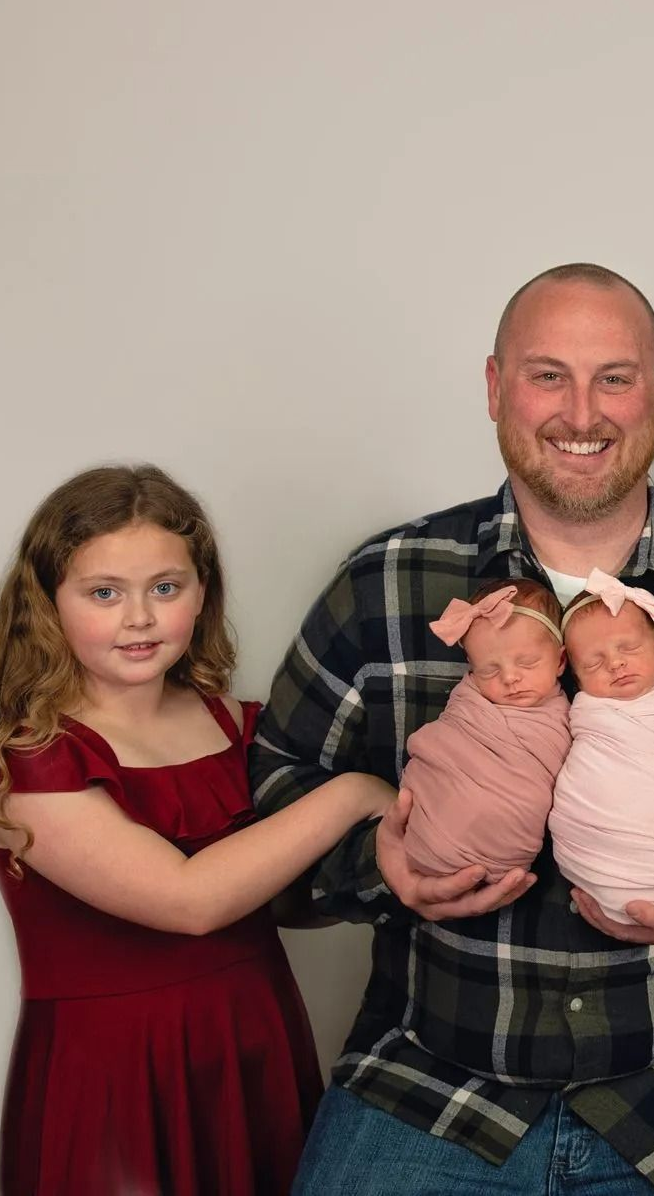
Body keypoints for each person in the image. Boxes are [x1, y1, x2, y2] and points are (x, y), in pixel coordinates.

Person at [248, 263, 654, 1195]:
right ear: (495, 388)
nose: (583, 411)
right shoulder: (386, 582)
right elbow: (280, 786)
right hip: (431, 1076)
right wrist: (379, 861)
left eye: (614, 377)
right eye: (548, 375)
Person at [0, 465, 395, 1196]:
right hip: (112, 1074)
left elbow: (277, 898)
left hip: (251, 1044)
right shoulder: (32, 757)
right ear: (47, 603)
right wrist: (352, 794)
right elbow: (191, 900)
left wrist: (395, 876)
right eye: (103, 592)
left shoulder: (241, 728)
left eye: (166, 587)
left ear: (202, 591)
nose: (140, 617)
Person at [549, 568, 654, 922]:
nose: (615, 663)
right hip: (585, 841)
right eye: (594, 662)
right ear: (577, 680)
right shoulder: (587, 713)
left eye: (629, 648)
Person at [400, 577, 570, 878]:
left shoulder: (568, 717)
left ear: (560, 660)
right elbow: (443, 746)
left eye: (527, 663)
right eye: (490, 669)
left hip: (504, 840)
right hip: (428, 826)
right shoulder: (470, 702)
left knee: (527, 800)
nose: (509, 678)